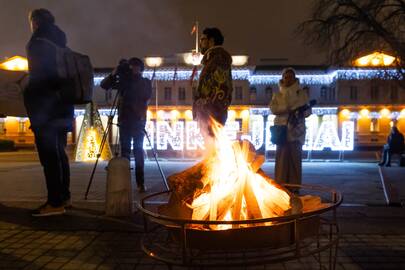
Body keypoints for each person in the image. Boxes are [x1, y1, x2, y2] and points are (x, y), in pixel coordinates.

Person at [24, 9, 74, 216]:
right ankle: (64, 197)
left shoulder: (38, 43)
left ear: (35, 22)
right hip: (63, 107)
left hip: (46, 109)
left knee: (49, 157)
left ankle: (54, 203)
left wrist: (26, 88)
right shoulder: (61, 44)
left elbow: (41, 78)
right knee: (59, 153)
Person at [100, 58, 152, 192]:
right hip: (124, 121)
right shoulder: (124, 81)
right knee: (125, 153)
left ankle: (140, 183)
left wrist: (129, 83)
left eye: (136, 66)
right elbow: (104, 85)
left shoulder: (145, 82)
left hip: (138, 121)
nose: (133, 69)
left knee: (138, 151)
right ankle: (125, 182)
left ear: (141, 69)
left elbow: (145, 96)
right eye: (131, 66)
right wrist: (115, 73)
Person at [269, 68, 311, 190]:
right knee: (281, 161)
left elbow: (308, 111)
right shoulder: (277, 95)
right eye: (285, 77)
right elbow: (273, 109)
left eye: (290, 77)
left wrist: (299, 112)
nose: (288, 79)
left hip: (296, 131)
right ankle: (281, 187)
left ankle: (295, 188)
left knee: (295, 161)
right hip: (281, 132)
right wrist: (287, 108)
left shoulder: (301, 94)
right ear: (282, 78)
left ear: (294, 78)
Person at [192, 27, 233, 137]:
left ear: (211, 41)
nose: (200, 43)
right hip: (209, 111)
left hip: (212, 112)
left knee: (213, 144)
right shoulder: (212, 59)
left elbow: (221, 87)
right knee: (210, 145)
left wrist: (207, 106)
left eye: (202, 39)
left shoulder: (219, 59)